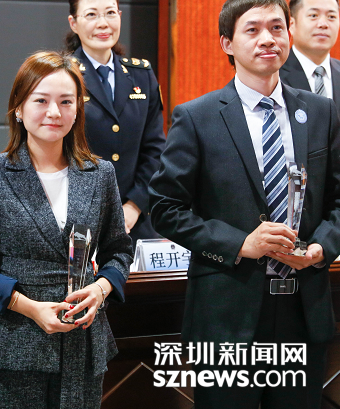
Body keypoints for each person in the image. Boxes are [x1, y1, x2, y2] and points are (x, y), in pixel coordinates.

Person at [148, 0, 340, 407]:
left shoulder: (321, 112)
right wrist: (240, 244)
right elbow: (165, 208)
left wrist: (322, 248)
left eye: (276, 27)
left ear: (289, 34)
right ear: (227, 44)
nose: (267, 39)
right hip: (227, 312)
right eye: (252, 30)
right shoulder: (197, 117)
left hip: (303, 309)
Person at [0, 51, 133, 409]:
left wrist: (100, 290)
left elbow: (119, 252)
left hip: (82, 342)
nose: (54, 112)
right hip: (12, 342)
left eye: (66, 102)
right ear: (19, 107)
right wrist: (30, 308)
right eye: (41, 100)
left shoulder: (99, 174)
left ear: (77, 110)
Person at [66, 0, 166, 243]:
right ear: (74, 23)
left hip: (134, 223)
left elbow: (155, 149)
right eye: (91, 14)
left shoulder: (141, 74)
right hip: (76, 220)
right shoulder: (62, 74)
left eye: (110, 13)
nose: (103, 23)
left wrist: (134, 205)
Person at [280, 0, 340, 115]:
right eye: (313, 15)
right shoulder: (274, 74)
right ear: (291, 24)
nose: (323, 24)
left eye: (331, 17)